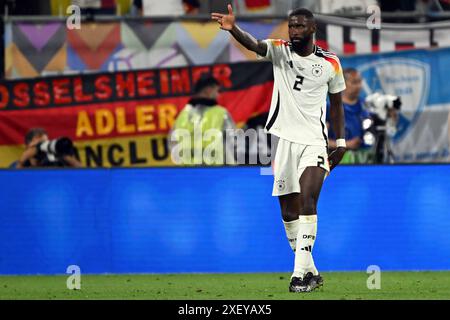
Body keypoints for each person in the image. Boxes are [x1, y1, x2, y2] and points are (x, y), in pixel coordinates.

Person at [212, 5, 347, 292]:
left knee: (308, 202)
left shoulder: (331, 63)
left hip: (314, 141)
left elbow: (336, 105)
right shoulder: (279, 50)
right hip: (283, 142)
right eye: (291, 26)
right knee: (288, 212)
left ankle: (298, 275)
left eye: (299, 26)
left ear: (312, 29)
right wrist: (233, 28)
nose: (294, 31)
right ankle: (311, 271)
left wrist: (342, 142)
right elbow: (254, 44)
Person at [169, 75, 236, 165]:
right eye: (217, 91)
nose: (218, 95)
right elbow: (233, 143)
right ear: (208, 90)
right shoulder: (221, 114)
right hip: (216, 173)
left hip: (190, 174)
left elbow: (172, 144)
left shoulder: (183, 115)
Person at [326, 68, 372, 163]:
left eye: (359, 82)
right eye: (354, 82)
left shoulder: (366, 106)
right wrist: (345, 144)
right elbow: (322, 140)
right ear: (343, 83)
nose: (358, 86)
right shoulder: (330, 107)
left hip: (365, 161)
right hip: (340, 162)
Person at [12, 128, 82, 169]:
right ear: (28, 146)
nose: (41, 148)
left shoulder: (54, 162)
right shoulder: (17, 164)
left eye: (45, 143)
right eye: (39, 144)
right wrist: (22, 161)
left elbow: (82, 173)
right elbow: (13, 181)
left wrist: (63, 155)